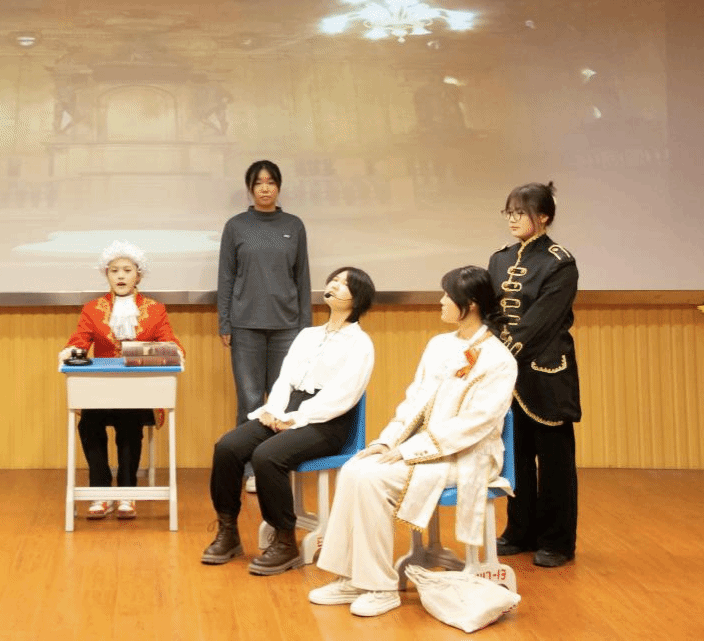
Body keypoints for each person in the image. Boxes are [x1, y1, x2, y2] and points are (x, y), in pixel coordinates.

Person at [309, 266, 516, 617]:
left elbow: (474, 425)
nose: (441, 301)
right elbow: (413, 400)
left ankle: (380, 587)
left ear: (470, 304)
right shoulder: (439, 345)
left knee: (373, 479)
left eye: (447, 295)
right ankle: (352, 577)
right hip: (425, 448)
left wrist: (410, 451)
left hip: (468, 456)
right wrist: (387, 442)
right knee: (356, 466)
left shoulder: (499, 359)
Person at [202, 267, 375, 575]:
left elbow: (343, 395)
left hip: (328, 422)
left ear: (358, 298)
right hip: (289, 411)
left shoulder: (360, 343)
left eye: (345, 284)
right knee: (227, 447)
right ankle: (228, 532)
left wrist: (297, 418)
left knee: (267, 455)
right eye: (334, 280)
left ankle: (285, 542)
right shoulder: (308, 335)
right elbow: (285, 379)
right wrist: (273, 410)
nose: (335, 285)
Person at [58, 241, 185, 520]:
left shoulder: (155, 309)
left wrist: (164, 352)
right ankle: (100, 491)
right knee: (88, 424)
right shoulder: (92, 309)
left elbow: (172, 346)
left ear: (138, 275)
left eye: (127, 270)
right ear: (106, 274)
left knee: (130, 422)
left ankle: (128, 491)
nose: (120, 276)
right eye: (114, 270)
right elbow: (79, 341)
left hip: (139, 393)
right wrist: (72, 352)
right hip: (101, 390)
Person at [489, 182, 581, 568]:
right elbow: (491, 312)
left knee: (555, 462)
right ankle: (519, 531)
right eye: (508, 212)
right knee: (516, 456)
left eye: (521, 212)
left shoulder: (560, 262)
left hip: (546, 372)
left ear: (543, 217)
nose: (512, 219)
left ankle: (557, 542)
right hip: (507, 375)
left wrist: (503, 353)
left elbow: (542, 321)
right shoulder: (499, 259)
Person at [217, 160, 312, 493]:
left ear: (279, 187)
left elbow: (302, 278)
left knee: (284, 403)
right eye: (258, 183)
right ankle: (249, 470)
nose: (265, 188)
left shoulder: (294, 225)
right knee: (250, 401)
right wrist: (225, 321)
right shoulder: (236, 226)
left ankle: (274, 466)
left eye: (271, 182)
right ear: (250, 189)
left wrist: (306, 328)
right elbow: (226, 277)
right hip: (245, 327)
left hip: (288, 328)